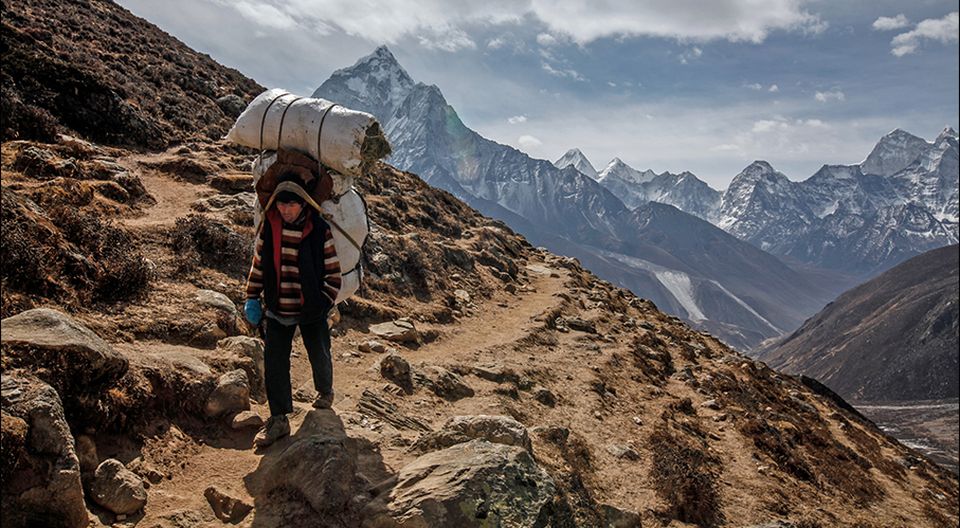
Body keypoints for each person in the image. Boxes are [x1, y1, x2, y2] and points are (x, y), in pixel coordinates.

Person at [243, 179, 341, 447]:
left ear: (302, 205)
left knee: (319, 352)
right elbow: (259, 264)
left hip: (311, 308)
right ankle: (278, 419)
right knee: (275, 361)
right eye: (282, 204)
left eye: (292, 204)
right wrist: (252, 296)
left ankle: (325, 391)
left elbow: (333, 272)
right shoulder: (270, 228)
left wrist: (323, 302)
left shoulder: (318, 230)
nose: (286, 210)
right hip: (277, 306)